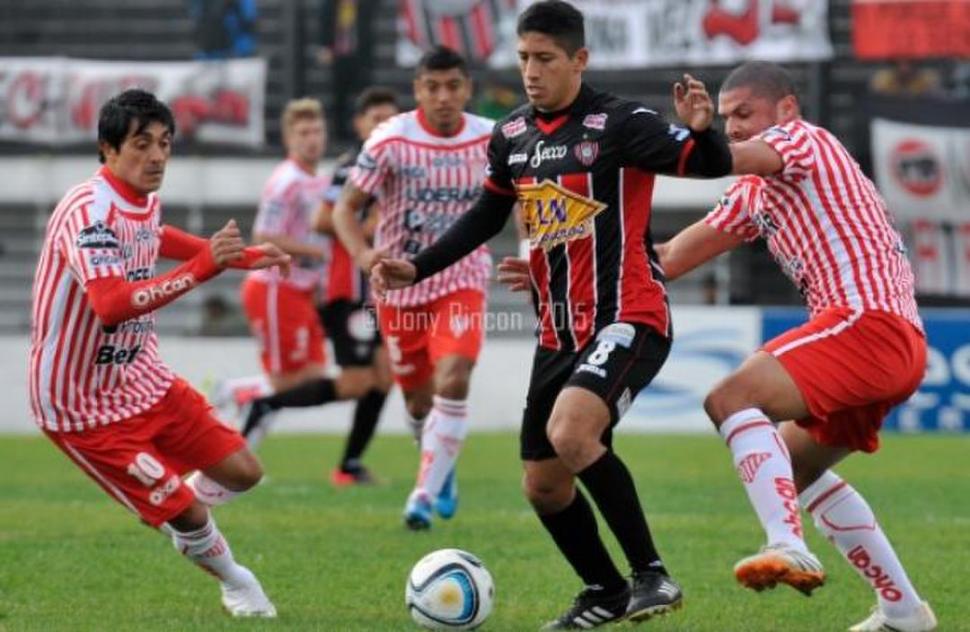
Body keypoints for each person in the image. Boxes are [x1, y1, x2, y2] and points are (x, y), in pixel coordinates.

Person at [371, 2, 734, 627]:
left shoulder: (622, 122)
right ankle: (604, 590)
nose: (531, 71)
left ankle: (652, 575)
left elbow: (708, 164)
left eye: (545, 59)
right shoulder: (509, 135)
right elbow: (487, 216)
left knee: (572, 435)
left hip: (629, 314)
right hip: (555, 330)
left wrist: (704, 132)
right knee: (542, 484)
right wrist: (418, 265)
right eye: (523, 58)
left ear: (579, 60)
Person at [656, 62, 936, 631]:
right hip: (884, 341)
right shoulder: (755, 193)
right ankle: (904, 613)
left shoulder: (804, 141)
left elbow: (727, 157)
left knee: (730, 398)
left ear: (785, 110)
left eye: (743, 114)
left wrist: (697, 137)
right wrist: (567, 268)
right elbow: (668, 260)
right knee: (792, 467)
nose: (732, 126)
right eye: (727, 116)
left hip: (867, 323)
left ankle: (786, 543)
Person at [27, 89, 289, 617]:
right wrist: (204, 269)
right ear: (108, 149)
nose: (157, 155)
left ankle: (177, 509)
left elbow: (154, 234)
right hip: (80, 405)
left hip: (139, 377)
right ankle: (237, 582)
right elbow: (111, 306)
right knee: (190, 513)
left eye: (165, 143)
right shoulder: (89, 210)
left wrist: (237, 257)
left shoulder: (140, 197)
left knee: (243, 471)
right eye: (141, 143)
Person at [332, 46, 495, 530]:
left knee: (455, 377)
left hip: (461, 280)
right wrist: (363, 255)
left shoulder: (492, 140)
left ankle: (422, 493)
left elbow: (525, 204)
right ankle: (440, 466)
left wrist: (531, 257)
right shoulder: (391, 140)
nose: (443, 97)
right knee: (418, 403)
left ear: (467, 89)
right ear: (418, 90)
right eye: (432, 87)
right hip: (399, 290)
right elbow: (345, 208)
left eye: (453, 86)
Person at [227, 98, 377, 449]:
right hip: (274, 287)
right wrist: (317, 252)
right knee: (286, 382)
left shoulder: (319, 180)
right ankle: (238, 436)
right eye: (303, 132)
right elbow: (263, 237)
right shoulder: (286, 181)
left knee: (312, 377)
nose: (312, 139)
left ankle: (242, 398)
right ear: (289, 138)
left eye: (317, 131)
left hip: (301, 290)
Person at [314, 87, 401, 486]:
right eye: (375, 119)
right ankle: (263, 398)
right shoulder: (351, 166)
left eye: (390, 119)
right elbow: (322, 220)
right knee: (360, 381)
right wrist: (368, 225)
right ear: (359, 124)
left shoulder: (401, 165)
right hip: (350, 290)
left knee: (384, 377)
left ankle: (349, 464)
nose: (383, 126)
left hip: (380, 292)